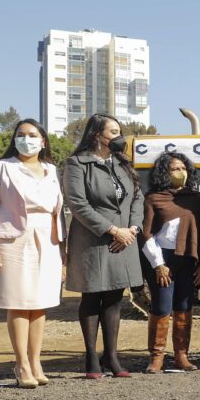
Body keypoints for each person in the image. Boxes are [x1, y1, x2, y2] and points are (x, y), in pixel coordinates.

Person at [0, 119, 65, 388]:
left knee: (40, 303)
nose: (26, 139)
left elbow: (57, 211)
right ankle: (21, 364)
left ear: (43, 140)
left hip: (47, 240)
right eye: (20, 134)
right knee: (19, 301)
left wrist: (62, 248)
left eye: (32, 134)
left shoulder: (51, 170)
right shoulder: (0, 168)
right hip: (12, 240)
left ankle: (36, 361)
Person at [64, 113, 143, 379]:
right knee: (91, 297)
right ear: (97, 135)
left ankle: (111, 356)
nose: (118, 137)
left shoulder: (122, 164)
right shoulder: (77, 163)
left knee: (114, 299)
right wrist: (112, 230)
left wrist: (132, 228)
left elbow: (137, 198)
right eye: (112, 132)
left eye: (119, 131)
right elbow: (78, 204)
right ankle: (91, 357)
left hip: (125, 240)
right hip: (93, 240)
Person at [140, 152, 200, 374]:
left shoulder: (195, 198)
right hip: (163, 259)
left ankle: (181, 355)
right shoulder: (153, 198)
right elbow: (146, 234)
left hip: (188, 258)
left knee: (184, 306)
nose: (181, 173)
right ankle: (157, 356)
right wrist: (159, 264)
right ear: (163, 173)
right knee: (161, 306)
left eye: (184, 168)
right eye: (175, 169)